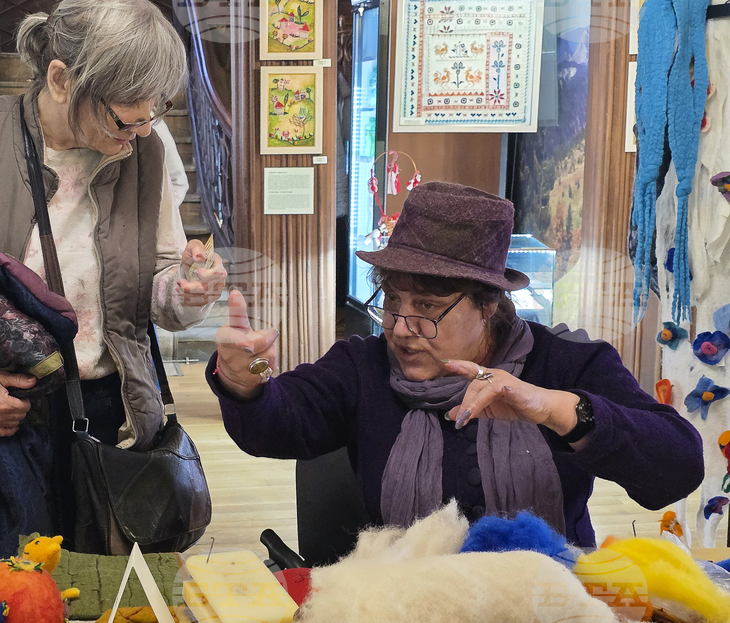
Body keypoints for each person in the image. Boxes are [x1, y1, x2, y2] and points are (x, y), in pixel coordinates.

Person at [210, 182, 704, 546]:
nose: (401, 327)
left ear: (488, 304)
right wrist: (243, 381)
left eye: (427, 307)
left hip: (550, 604)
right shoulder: (363, 367)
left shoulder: (568, 364)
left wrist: (558, 410)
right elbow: (277, 424)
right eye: (392, 300)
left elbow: (678, 467)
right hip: (407, 604)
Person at [0, 0, 227, 450]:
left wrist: (188, 288)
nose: (144, 129)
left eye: (156, 107)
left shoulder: (144, 155)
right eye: (128, 111)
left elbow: (157, 287)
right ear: (61, 80)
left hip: (107, 411)